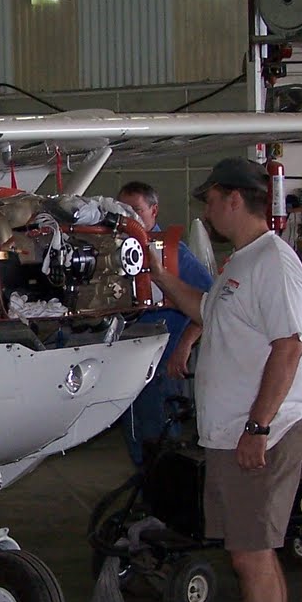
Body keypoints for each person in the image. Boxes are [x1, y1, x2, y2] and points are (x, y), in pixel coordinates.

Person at [150, 157, 302, 602]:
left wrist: (259, 427)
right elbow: (209, 314)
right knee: (257, 555)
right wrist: (163, 279)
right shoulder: (240, 265)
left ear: (233, 199)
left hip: (261, 435)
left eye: (209, 200)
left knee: (250, 559)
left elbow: (289, 347)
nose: (206, 212)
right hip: (237, 435)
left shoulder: (273, 263)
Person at [116, 181, 213, 467]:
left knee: (163, 439)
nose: (130, 218)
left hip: (163, 364)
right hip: (127, 362)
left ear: (153, 211)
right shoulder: (115, 251)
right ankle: (147, 497)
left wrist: (184, 347)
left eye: (136, 210)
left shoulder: (173, 253)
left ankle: (165, 502)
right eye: (123, 211)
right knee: (135, 433)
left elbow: (212, 305)